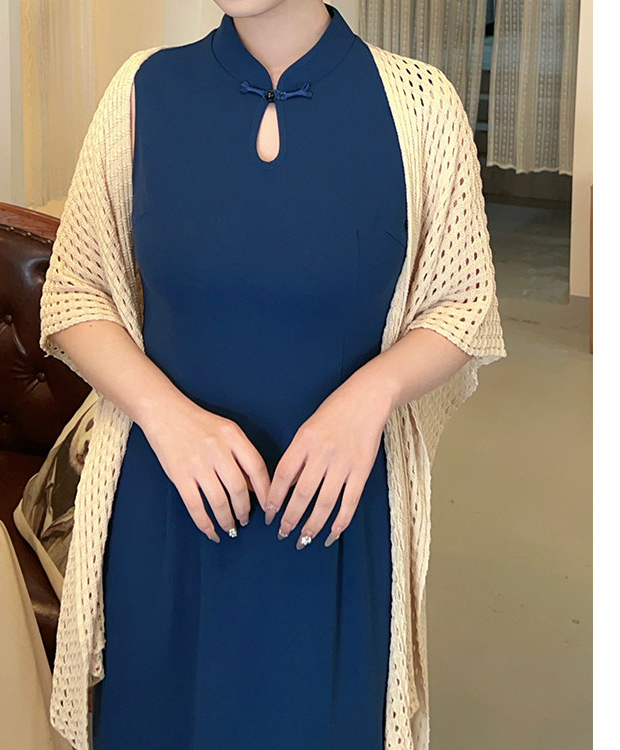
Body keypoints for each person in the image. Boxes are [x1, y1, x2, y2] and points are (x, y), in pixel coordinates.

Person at [42, 2, 506, 748]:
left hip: (335, 519)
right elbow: (75, 293)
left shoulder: (420, 107)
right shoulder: (140, 92)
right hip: (164, 509)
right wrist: (166, 416)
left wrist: (372, 394)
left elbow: (462, 303)